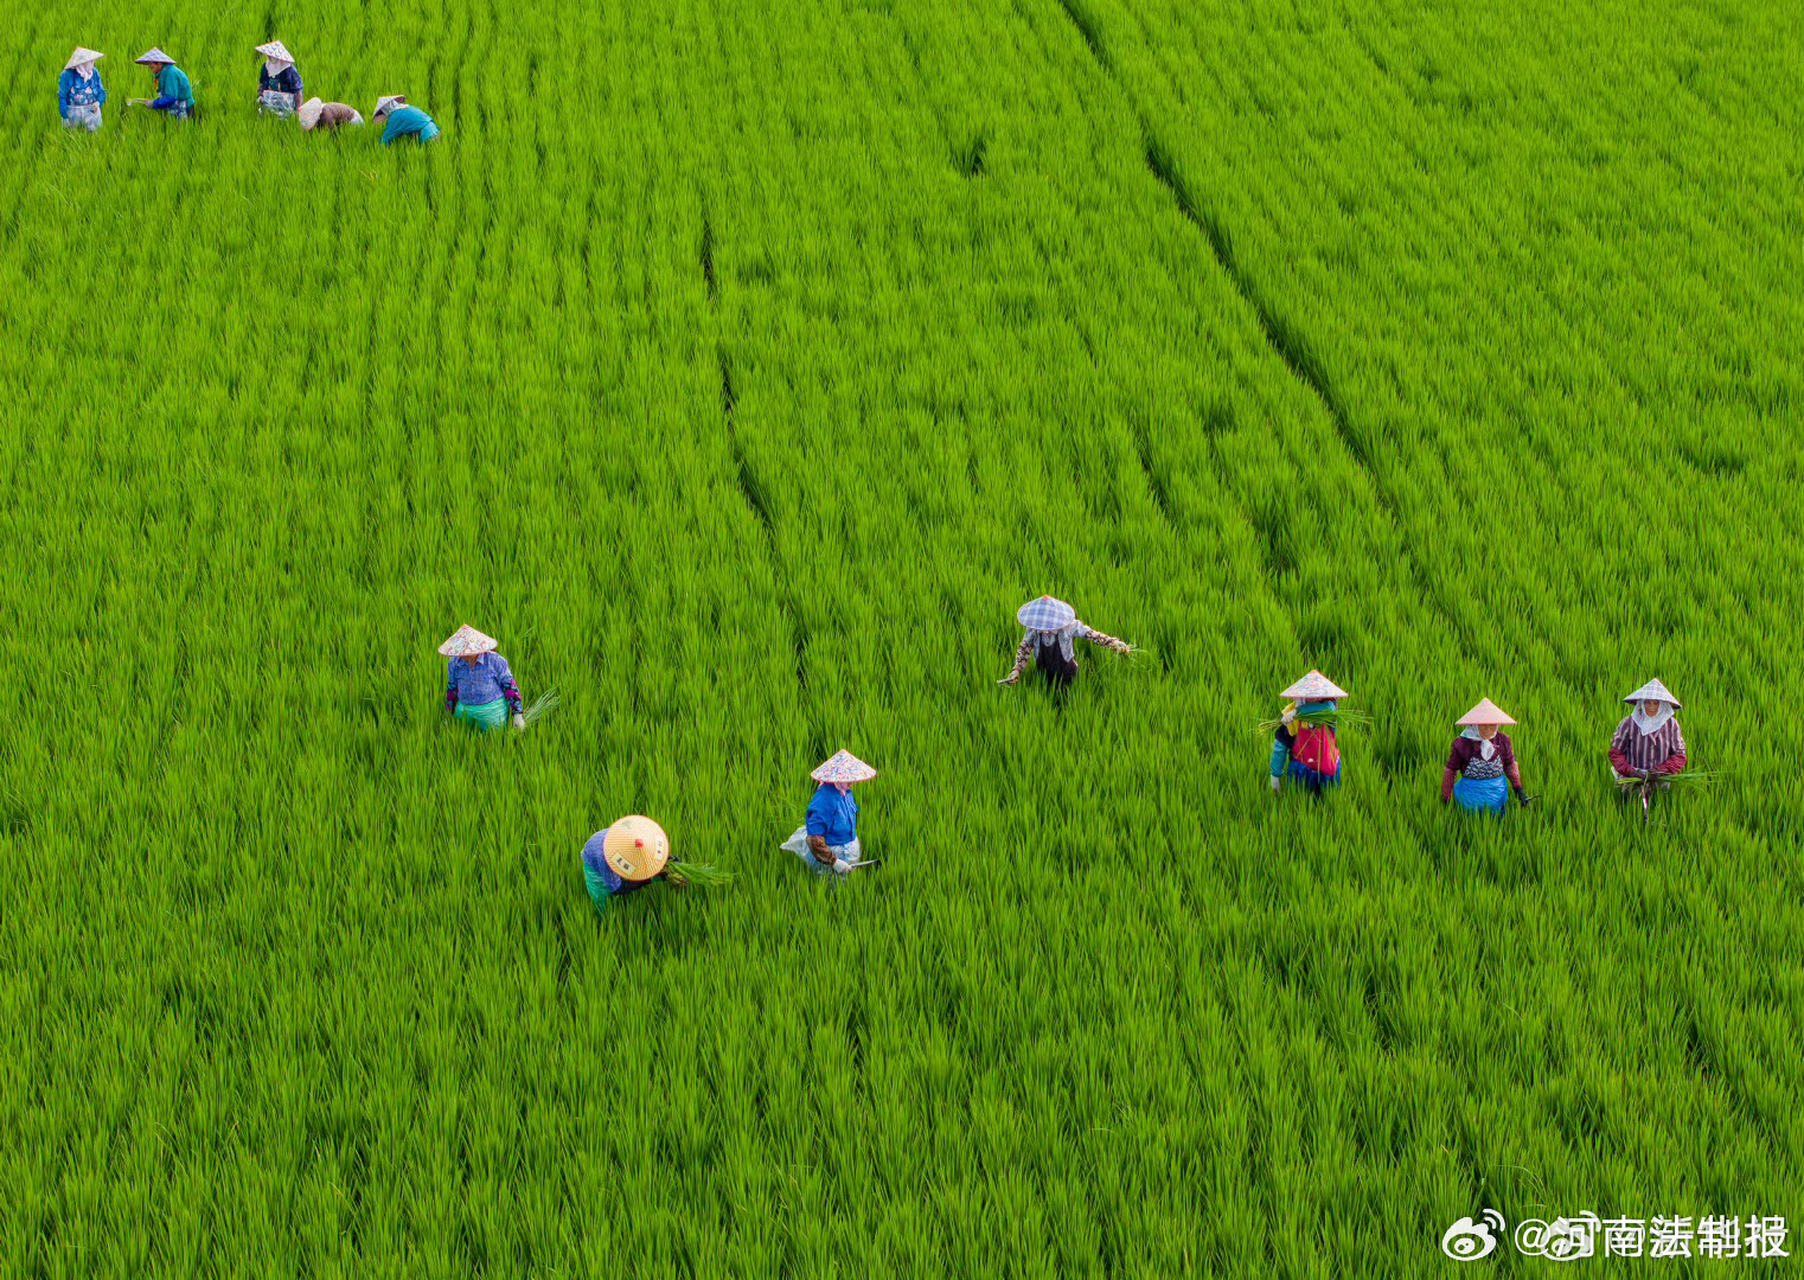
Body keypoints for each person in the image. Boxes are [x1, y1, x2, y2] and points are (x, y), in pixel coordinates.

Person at [998, 595, 1132, 689]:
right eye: (1042, 627)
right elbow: (1025, 648)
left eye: (1048, 626)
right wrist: (1017, 670)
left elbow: (1091, 634)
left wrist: (1113, 643)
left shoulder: (1069, 626)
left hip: (1066, 670)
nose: (1045, 630)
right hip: (1043, 670)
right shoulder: (1033, 629)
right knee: (1046, 694)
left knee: (1066, 695)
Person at [781, 750, 876, 876]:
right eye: (848, 778)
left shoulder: (845, 793)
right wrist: (834, 861)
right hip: (831, 855)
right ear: (838, 778)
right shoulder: (824, 799)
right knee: (831, 888)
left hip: (847, 850)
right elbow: (814, 838)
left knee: (847, 887)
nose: (852, 781)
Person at [1441, 698, 1530, 814]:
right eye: (1484, 726)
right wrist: (1446, 796)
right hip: (1470, 794)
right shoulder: (1462, 744)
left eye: (1492, 725)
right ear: (1474, 725)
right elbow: (1451, 769)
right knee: (1469, 819)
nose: (1489, 730)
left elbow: (1509, 764)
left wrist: (1518, 789)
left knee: (1496, 820)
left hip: (1496, 793)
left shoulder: (1503, 741)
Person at [1269, 670, 1347, 797]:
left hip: (1327, 767)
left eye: (1318, 694)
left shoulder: (1329, 707)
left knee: (1328, 803)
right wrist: (1275, 775)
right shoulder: (1289, 715)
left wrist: (1297, 712)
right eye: (1310, 695)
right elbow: (1280, 746)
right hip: (1301, 770)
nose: (1315, 697)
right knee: (1300, 803)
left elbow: (1328, 709)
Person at [580, 817, 673, 917]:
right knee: (601, 896)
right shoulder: (603, 857)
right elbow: (617, 889)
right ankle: (601, 921)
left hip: (611, 851)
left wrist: (667, 861)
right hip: (594, 864)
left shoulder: (640, 837)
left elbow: (650, 854)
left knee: (637, 870)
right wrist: (647, 880)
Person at [439, 624, 524, 730]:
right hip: (465, 709)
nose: (466, 654)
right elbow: (452, 689)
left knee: (494, 736)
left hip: (491, 709)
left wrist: (517, 714)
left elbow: (509, 686)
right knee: (462, 732)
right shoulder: (454, 663)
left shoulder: (495, 661)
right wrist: (448, 713)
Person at [1610, 678, 1687, 796]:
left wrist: (1659, 771)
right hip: (1632, 780)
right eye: (1647, 702)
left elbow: (1680, 755)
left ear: (1663, 705)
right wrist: (1631, 771)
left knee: (1659, 805)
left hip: (1660, 781)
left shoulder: (1671, 725)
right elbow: (1615, 752)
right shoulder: (1628, 724)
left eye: (1656, 703)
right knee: (1631, 804)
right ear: (1641, 703)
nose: (1651, 707)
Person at [127, 49, 193, 120]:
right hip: (176, 106)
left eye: (152, 67)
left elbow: (171, 97)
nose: (152, 71)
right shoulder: (164, 73)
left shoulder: (170, 74)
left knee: (182, 129)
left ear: (159, 64)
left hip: (184, 108)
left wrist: (154, 104)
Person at [58, 49, 106, 132]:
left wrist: (98, 102)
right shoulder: (66, 75)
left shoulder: (94, 73)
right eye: (90, 62)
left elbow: (101, 91)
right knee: (73, 136)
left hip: (91, 111)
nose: (93, 64)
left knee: (94, 137)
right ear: (82, 63)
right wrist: (65, 117)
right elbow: (62, 97)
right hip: (73, 112)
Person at [255, 41, 302, 117]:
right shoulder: (266, 67)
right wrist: (260, 95)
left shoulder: (289, 70)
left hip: (287, 102)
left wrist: (298, 108)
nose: (269, 57)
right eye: (268, 55)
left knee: (285, 119)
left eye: (271, 56)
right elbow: (262, 83)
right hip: (270, 100)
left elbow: (297, 90)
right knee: (269, 117)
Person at [373, 95, 440, 145]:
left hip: (427, 136)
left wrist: (377, 147)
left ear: (386, 109)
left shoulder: (395, 117)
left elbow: (387, 138)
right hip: (435, 130)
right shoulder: (408, 108)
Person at [299, 97, 364, 131]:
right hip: (342, 122)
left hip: (353, 120)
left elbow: (332, 133)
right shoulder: (319, 110)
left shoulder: (326, 115)